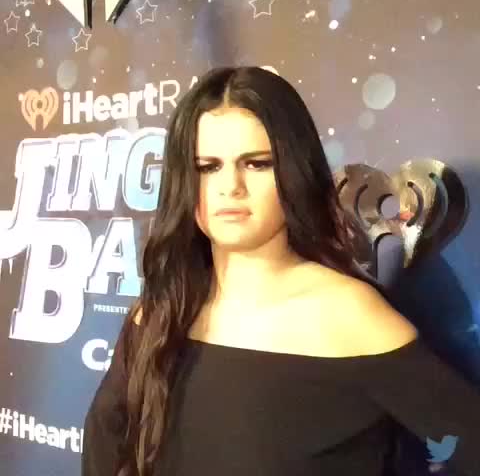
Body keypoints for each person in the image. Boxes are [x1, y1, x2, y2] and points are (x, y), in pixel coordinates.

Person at [81, 66, 480, 476]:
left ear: (293, 171)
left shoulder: (347, 314)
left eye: (256, 164)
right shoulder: (159, 313)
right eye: (207, 166)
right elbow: (103, 448)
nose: (230, 186)